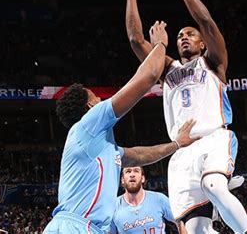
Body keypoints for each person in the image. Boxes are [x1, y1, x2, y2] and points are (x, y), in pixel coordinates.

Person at [115, 0, 247, 234]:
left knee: (212, 183)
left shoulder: (213, 63)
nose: (184, 37)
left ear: (202, 43)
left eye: (190, 34)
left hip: (213, 138)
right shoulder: (167, 69)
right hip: (180, 151)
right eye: (179, 35)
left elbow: (205, 20)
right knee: (197, 229)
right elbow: (134, 40)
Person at [43, 21, 200, 234]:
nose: (100, 99)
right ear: (89, 105)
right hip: (75, 227)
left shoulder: (100, 147)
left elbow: (137, 155)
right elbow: (147, 78)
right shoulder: (89, 122)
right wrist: (160, 46)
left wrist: (176, 144)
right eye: (97, 97)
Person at [109, 166, 176, 234]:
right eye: (128, 171)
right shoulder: (113, 207)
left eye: (136, 171)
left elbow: (180, 221)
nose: (132, 175)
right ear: (122, 180)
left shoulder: (159, 199)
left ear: (143, 178)